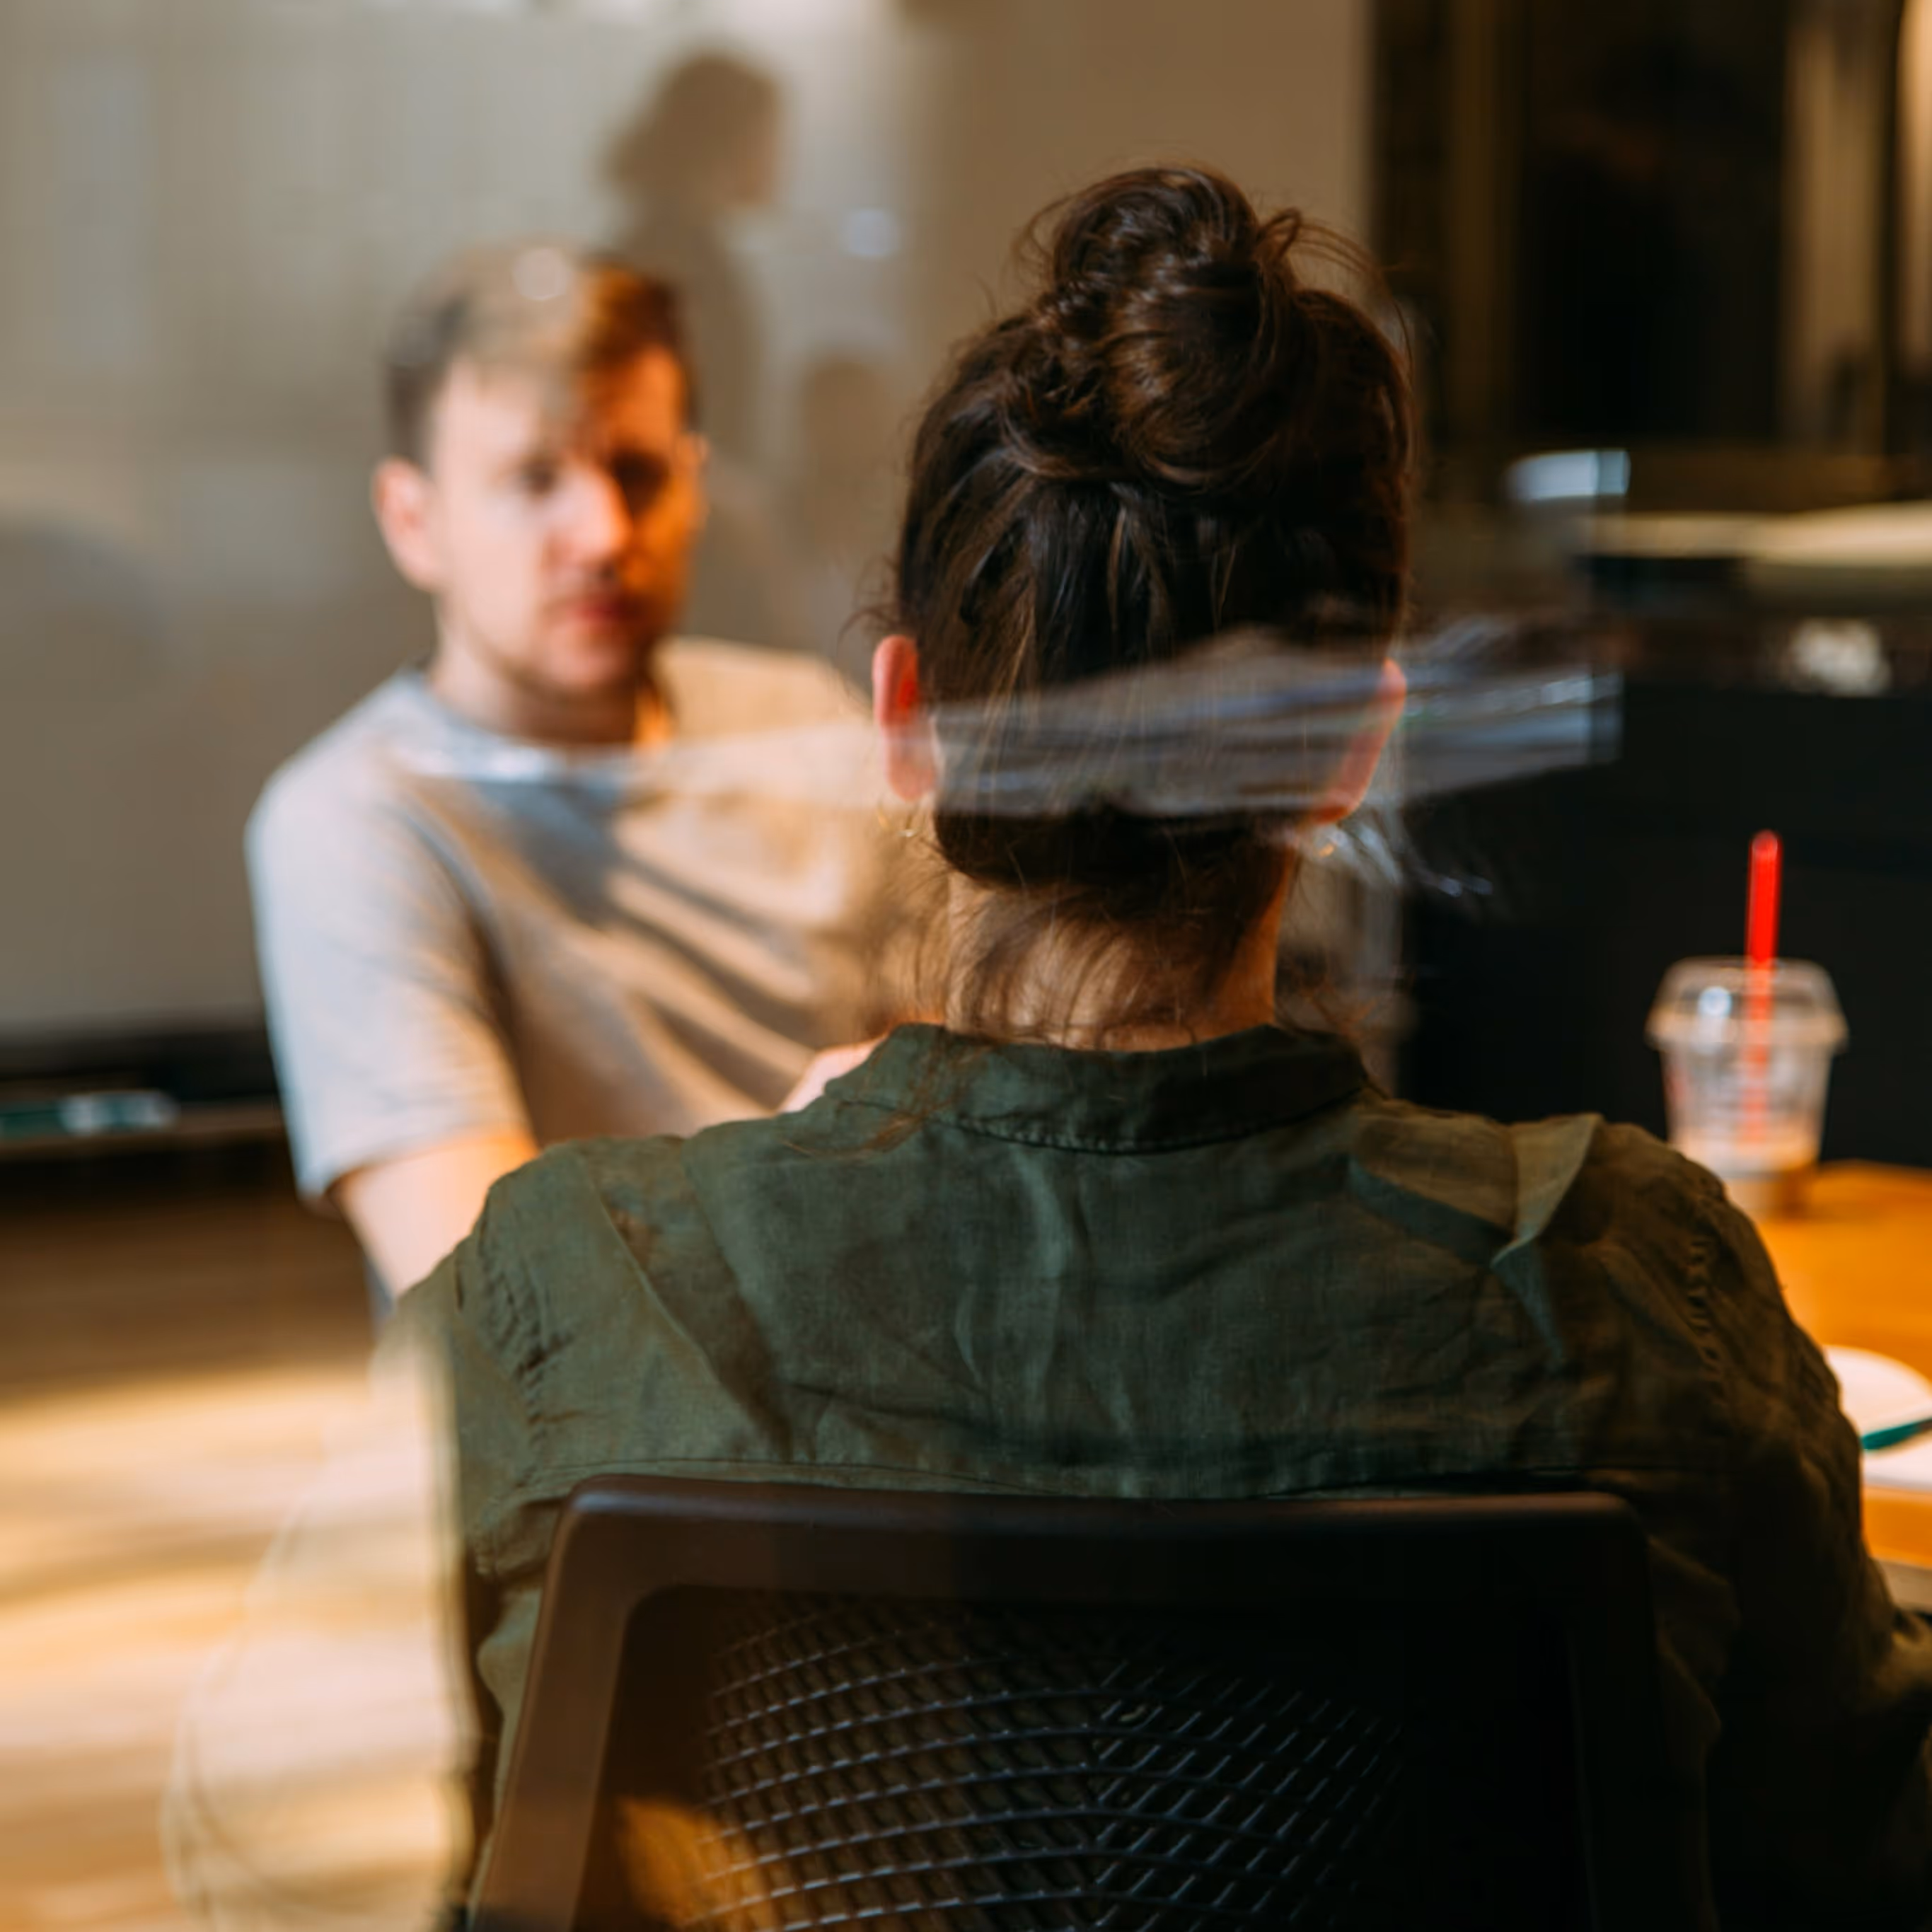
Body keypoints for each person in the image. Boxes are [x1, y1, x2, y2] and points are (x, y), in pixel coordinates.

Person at [180, 167, 1932, 1928]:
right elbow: (1850, 1857)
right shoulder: (1644, 1288)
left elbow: (292, 1847)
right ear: (1351, 755)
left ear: (904, 728)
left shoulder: (547, 1306)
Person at [246, 243, 906, 1297]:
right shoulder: (356, 818)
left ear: (694, 488)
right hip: (593, 1451)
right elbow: (489, 1294)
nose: (601, 534)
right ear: (414, 522)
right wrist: (802, 1165)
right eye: (533, 479)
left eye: (636, 473)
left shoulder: (808, 724)